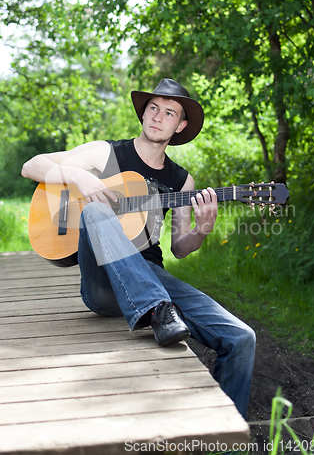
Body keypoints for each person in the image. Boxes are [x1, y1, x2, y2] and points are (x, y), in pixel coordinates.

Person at [22, 78, 256, 419]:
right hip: (103, 281)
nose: (158, 117)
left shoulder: (181, 181)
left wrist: (203, 229)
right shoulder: (108, 153)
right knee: (97, 209)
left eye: (169, 113)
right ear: (144, 113)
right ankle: (158, 309)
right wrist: (78, 177)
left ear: (181, 125)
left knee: (243, 338)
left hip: (152, 275)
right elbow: (32, 166)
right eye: (153, 108)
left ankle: (225, 434)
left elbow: (180, 246)